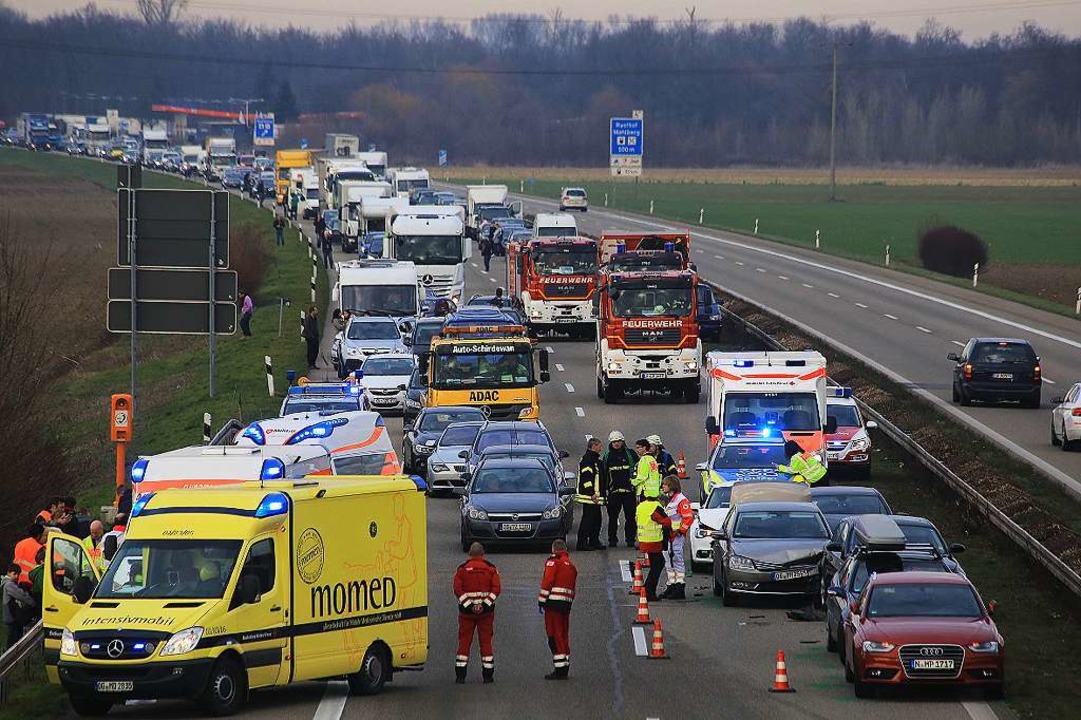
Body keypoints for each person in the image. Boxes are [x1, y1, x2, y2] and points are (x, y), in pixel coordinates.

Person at [453, 542, 501, 684]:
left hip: (466, 614)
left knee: (464, 642)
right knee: (486, 642)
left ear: (469, 554)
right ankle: (488, 675)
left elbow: (457, 589)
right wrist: (484, 605)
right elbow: (496, 589)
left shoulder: (462, 570)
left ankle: (460, 676)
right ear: (482, 553)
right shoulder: (490, 569)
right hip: (486, 614)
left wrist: (469, 606)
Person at [538, 539, 577, 680]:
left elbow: (547, 581)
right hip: (566, 604)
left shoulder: (553, 562)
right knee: (564, 633)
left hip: (553, 604)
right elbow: (572, 587)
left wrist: (542, 600)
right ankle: (565, 662)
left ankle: (560, 669)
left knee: (554, 635)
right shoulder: (571, 565)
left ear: (553, 549)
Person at [660, 476, 694, 600]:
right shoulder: (669, 499)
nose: (663, 486)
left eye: (665, 484)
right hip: (668, 536)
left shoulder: (681, 500)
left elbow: (688, 517)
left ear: (672, 486)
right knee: (668, 562)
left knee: (677, 561)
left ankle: (680, 587)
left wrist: (681, 530)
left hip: (676, 536)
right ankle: (671, 585)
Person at [636, 488, 672, 602]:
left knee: (656, 565)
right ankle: (649, 591)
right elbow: (666, 521)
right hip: (654, 541)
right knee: (658, 565)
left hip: (644, 539)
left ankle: (648, 589)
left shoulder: (641, 506)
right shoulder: (656, 506)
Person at [602, 431, 637, 548]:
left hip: (629, 492)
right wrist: (605, 490)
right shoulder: (607, 456)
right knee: (612, 518)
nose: (616, 444)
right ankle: (612, 540)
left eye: (618, 441)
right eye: (614, 442)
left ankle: (630, 539)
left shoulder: (631, 454)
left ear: (622, 442)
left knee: (630, 518)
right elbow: (604, 474)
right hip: (614, 493)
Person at [574, 438, 605, 551]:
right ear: (594, 446)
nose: (601, 448)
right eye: (599, 446)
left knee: (597, 520)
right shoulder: (588, 460)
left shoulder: (595, 460)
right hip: (590, 497)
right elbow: (586, 478)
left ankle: (594, 541)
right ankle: (582, 543)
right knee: (588, 520)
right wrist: (591, 493)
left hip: (595, 497)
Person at [2, 563, 34, 648]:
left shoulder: (5, 583)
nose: (16, 577)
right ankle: (10, 656)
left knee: (12, 636)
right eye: (14, 574)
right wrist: (32, 603)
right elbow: (21, 595)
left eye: (18, 574)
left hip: (9, 614)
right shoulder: (9, 585)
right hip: (11, 615)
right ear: (9, 573)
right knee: (14, 637)